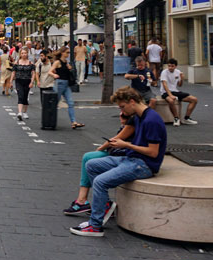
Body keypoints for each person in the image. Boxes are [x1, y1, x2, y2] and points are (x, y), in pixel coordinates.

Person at [69, 87, 166, 236]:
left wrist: (127, 145)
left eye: (122, 107)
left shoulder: (151, 120)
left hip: (144, 165)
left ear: (132, 102)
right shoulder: (138, 117)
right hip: (130, 158)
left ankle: (95, 226)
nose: (122, 111)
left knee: (100, 182)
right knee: (91, 165)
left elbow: (153, 153)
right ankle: (105, 205)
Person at [63, 110, 136, 216]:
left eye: (122, 111)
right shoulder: (131, 122)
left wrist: (100, 148)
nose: (120, 114)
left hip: (122, 155)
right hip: (120, 153)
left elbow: (115, 139)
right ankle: (82, 200)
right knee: (88, 158)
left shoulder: (131, 124)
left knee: (89, 159)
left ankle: (85, 201)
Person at [49, 48, 84, 129]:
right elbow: (50, 71)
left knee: (70, 103)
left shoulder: (66, 62)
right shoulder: (57, 62)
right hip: (59, 83)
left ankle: (73, 122)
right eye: (67, 52)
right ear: (62, 53)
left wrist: (70, 68)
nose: (68, 54)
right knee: (55, 103)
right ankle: (50, 121)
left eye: (68, 52)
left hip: (66, 84)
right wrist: (54, 75)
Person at [159, 59, 198, 126]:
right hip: (165, 92)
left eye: (172, 66)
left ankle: (187, 118)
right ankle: (176, 118)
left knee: (194, 99)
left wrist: (182, 79)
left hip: (175, 91)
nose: (170, 68)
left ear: (176, 66)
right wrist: (170, 95)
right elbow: (164, 84)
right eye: (169, 66)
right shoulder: (164, 72)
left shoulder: (178, 72)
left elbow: (179, 85)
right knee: (171, 101)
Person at [11, 50, 39, 121]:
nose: (24, 54)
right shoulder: (16, 63)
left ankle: (25, 112)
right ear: (20, 54)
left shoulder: (30, 63)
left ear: (27, 54)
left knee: (25, 97)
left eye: (25, 53)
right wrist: (11, 81)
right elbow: (13, 73)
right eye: (22, 53)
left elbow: (33, 74)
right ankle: (20, 112)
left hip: (27, 81)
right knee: (20, 95)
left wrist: (32, 82)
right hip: (19, 81)